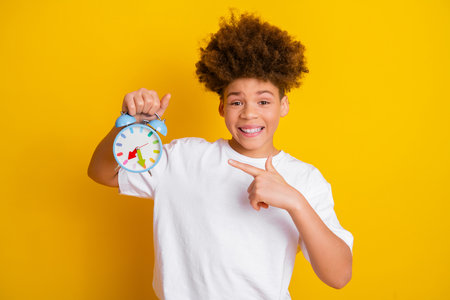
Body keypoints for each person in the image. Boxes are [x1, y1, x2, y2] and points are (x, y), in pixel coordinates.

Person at [88, 10, 353, 300]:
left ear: (284, 105)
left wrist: (294, 201)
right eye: (236, 101)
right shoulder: (183, 159)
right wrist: (129, 125)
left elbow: (339, 276)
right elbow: (102, 173)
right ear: (221, 107)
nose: (249, 113)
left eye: (264, 101)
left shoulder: (305, 179)